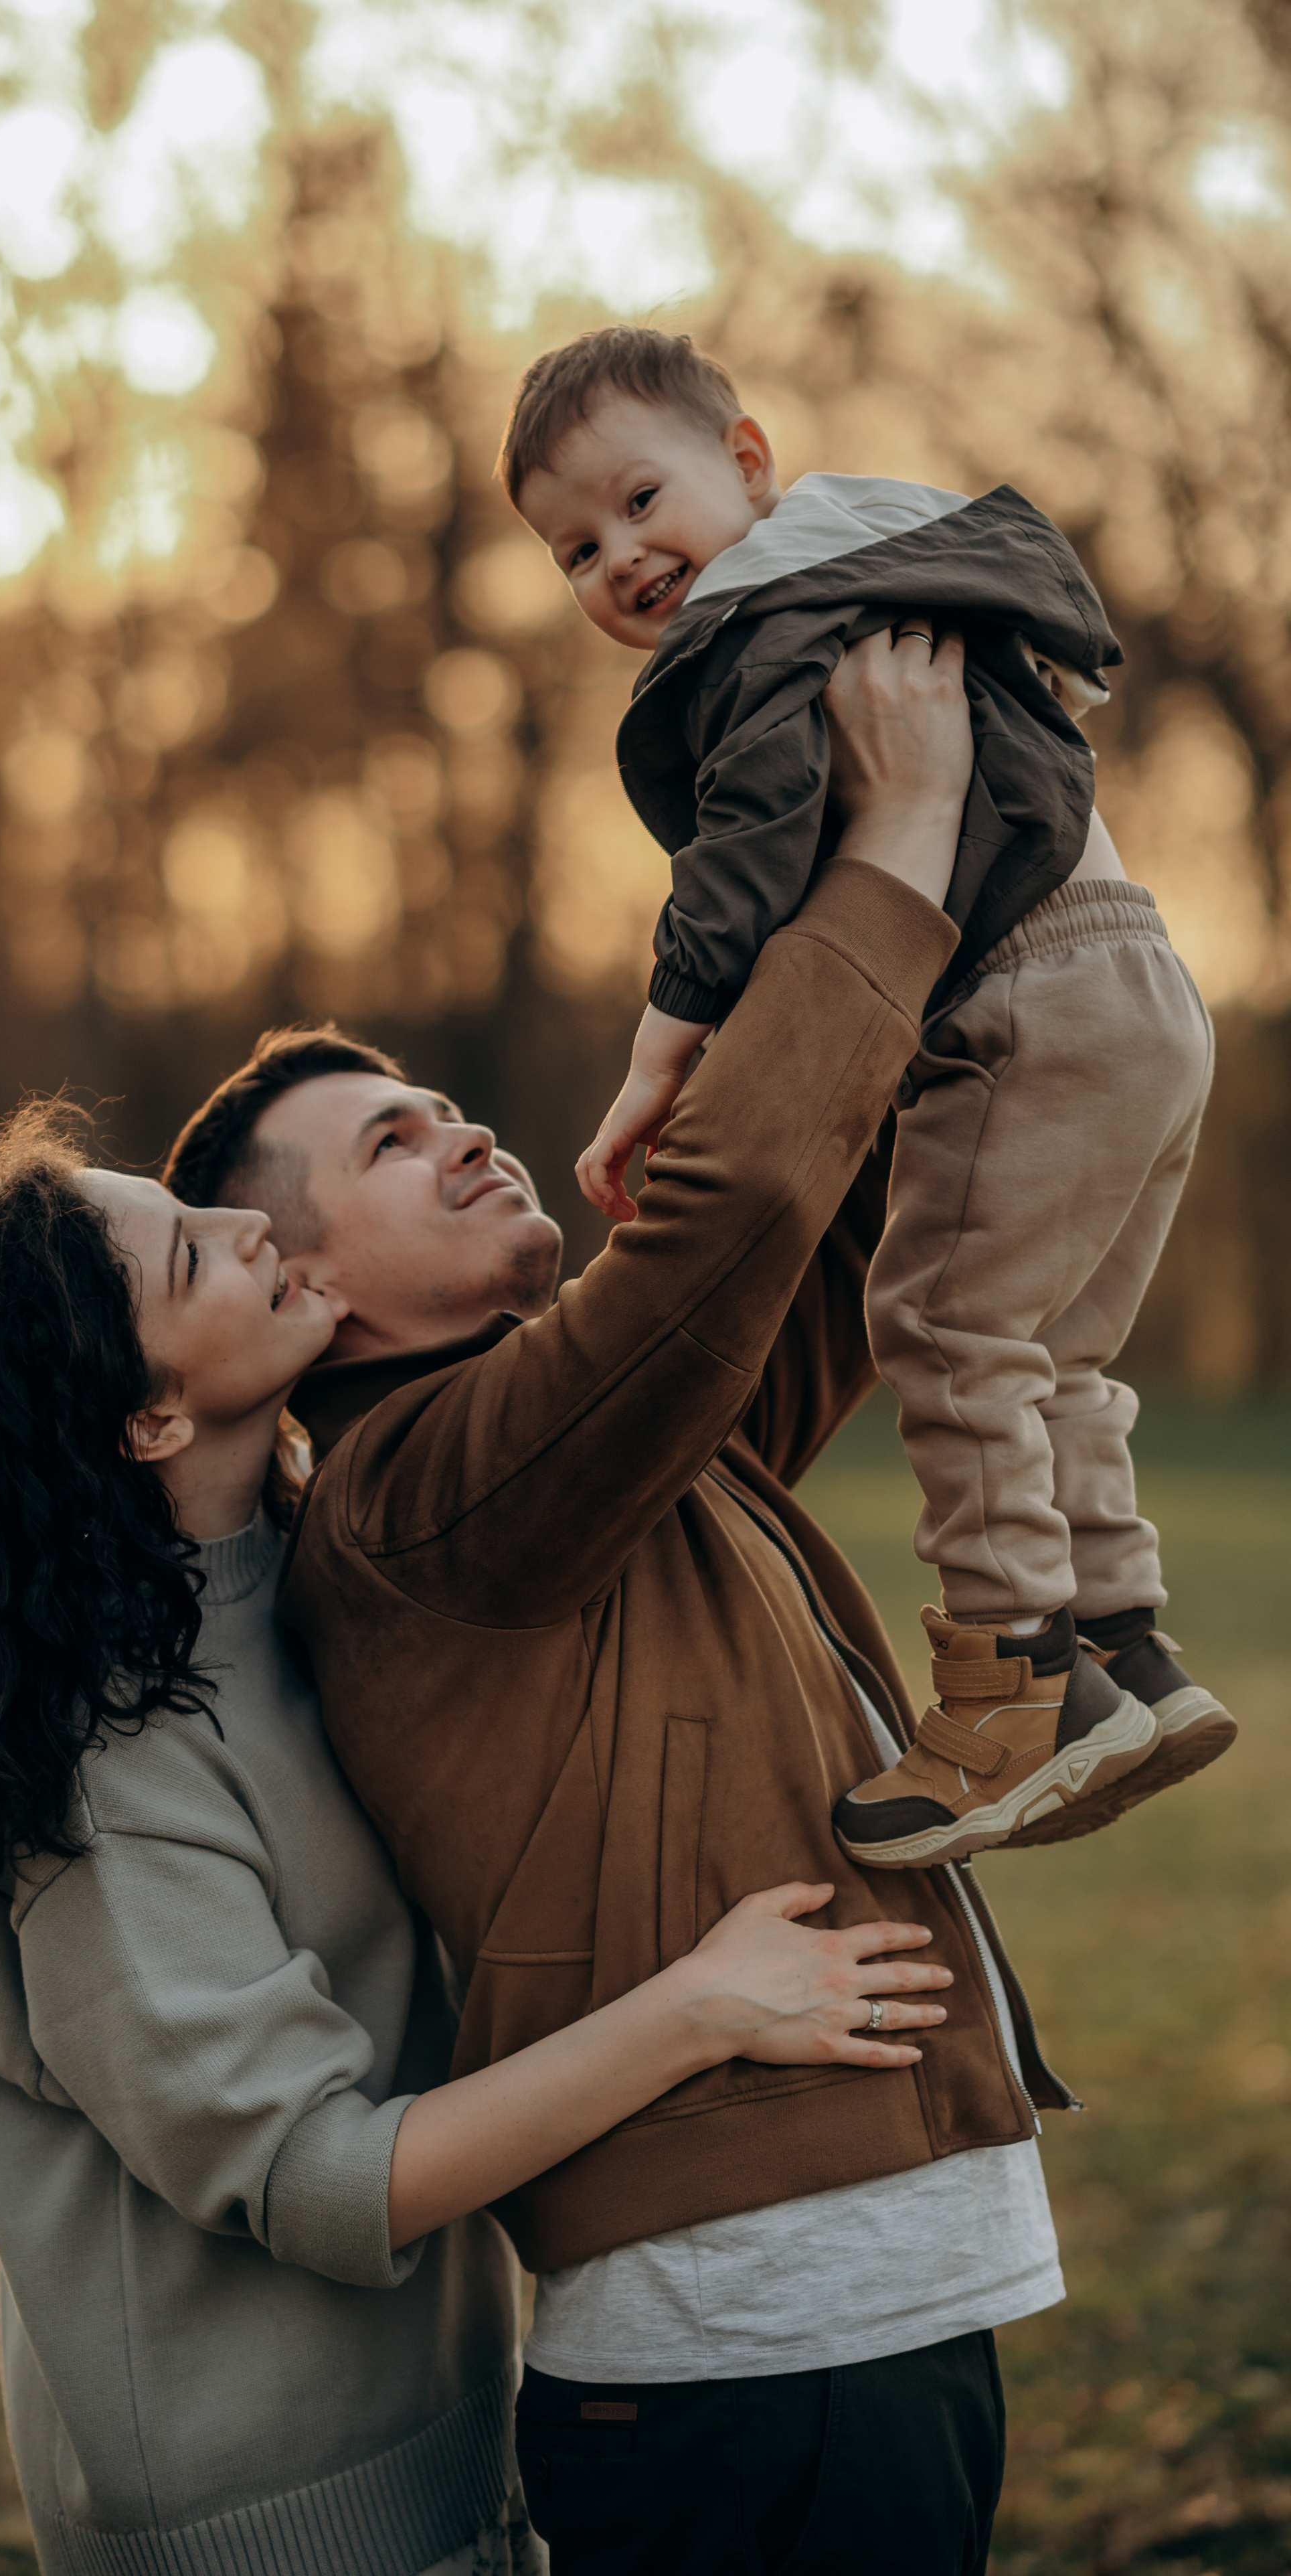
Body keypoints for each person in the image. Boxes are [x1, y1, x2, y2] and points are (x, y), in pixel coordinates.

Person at [161, 636, 1050, 2573]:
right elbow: (727, 1220)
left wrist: (904, 831)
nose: (465, 1128)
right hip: (758, 2351)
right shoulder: (419, 1498)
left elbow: (822, 1227)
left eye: (442, 1101)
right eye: (392, 1145)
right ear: (310, 1290)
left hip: (852, 2310)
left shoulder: (602, 1456)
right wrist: (893, 838)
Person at [0, 1100, 952, 2576]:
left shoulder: (321, 1581)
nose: (250, 1228)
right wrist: (693, 2009)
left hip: (464, 2458)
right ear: (149, 1415)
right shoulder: (105, 1773)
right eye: (195, 1259)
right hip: (267, 2529)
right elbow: (314, 2178)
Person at [502, 321, 1233, 1868]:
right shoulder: (894, 561)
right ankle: (1125, 1647)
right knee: (1050, 1351)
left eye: (642, 501)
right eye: (575, 546)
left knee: (945, 1330)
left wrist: (662, 1047)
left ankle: (1009, 1694)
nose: (621, 558)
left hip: (1027, 996)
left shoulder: (764, 623)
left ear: (746, 462)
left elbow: (752, 839)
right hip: (1144, 986)